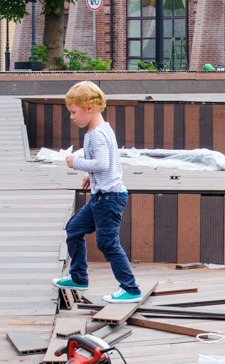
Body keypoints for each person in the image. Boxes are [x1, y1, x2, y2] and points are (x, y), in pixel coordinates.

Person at [53, 81, 142, 304]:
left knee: (108, 243)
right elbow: (109, 163)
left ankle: (130, 288)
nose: (72, 117)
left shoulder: (96, 135)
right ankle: (79, 277)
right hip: (102, 196)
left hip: (109, 198)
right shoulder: (102, 130)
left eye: (74, 112)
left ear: (89, 107)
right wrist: (89, 176)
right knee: (74, 228)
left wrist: (77, 163)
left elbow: (101, 163)